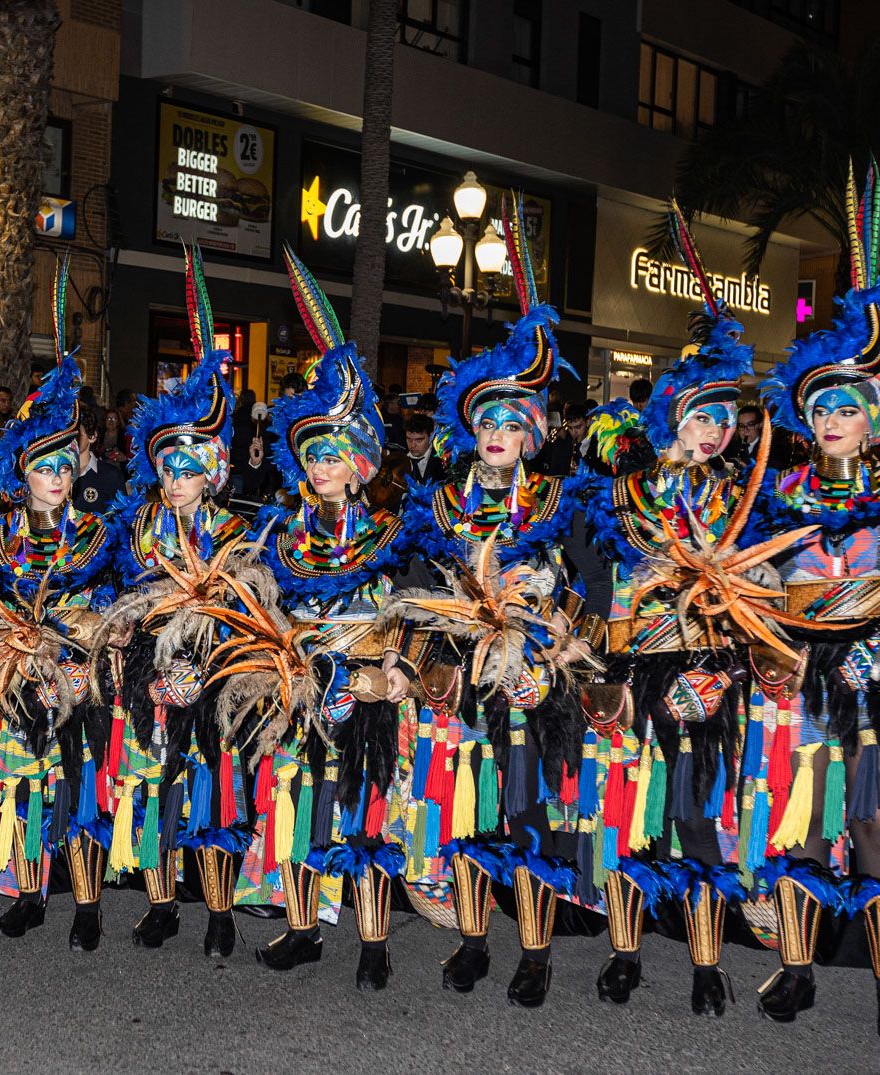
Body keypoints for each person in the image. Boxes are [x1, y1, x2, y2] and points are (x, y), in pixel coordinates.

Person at [750, 163, 880, 1042]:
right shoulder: (779, 497)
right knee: (802, 833)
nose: (835, 416)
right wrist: (766, 639)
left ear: (877, 416)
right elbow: (755, 589)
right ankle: (797, 970)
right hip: (802, 684)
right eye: (821, 405)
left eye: (851, 405)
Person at [572, 204, 761, 1017]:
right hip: (627, 671)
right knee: (623, 815)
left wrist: (720, 669)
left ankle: (708, 964)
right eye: (701, 414)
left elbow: (754, 595)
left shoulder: (743, 496)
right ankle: (623, 955)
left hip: (706, 674)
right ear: (671, 414)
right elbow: (588, 569)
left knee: (693, 815)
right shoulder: (624, 489)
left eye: (725, 417)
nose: (715, 430)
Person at [405, 223, 587, 1007]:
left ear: (533, 433)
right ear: (470, 430)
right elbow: (415, 586)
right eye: (490, 424)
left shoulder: (556, 497)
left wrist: (560, 637)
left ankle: (536, 952)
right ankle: (477, 940)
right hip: (460, 676)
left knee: (528, 818)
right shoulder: (442, 500)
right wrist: (408, 663)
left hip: (532, 679)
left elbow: (592, 583)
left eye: (516, 425)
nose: (501, 436)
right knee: (470, 812)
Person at [244, 249, 409, 990]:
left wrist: (393, 665)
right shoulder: (279, 534)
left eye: (335, 455)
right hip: (298, 684)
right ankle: (303, 927)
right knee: (296, 798)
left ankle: (374, 944)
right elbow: (266, 608)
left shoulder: (386, 533)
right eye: (313, 455)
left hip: (362, 688)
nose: (322, 467)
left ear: (360, 461)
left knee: (362, 813)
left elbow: (406, 609)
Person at [100, 244, 252, 955]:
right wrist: (142, 654)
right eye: (170, 467)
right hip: (152, 678)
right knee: (154, 780)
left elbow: (252, 613)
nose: (179, 479)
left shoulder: (234, 531)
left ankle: (219, 912)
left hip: (216, 677)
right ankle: (161, 904)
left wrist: (208, 663)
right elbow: (122, 596)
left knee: (214, 789)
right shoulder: (138, 524)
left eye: (192, 468)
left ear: (212, 472)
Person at [0, 307, 115, 944]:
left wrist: (90, 627)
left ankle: (86, 906)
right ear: (17, 476)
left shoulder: (99, 536)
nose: (55, 479)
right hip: (14, 677)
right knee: (22, 782)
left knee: (77, 787)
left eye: (63, 468)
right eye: (42, 469)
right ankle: (28, 894)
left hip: (76, 676)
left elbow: (111, 605)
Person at [72, 400, 127, 513]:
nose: (71, 441)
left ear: (92, 436)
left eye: (77, 435)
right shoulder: (57, 476)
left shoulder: (111, 476)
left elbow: (122, 521)